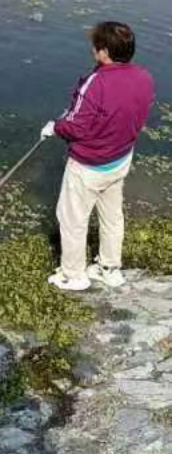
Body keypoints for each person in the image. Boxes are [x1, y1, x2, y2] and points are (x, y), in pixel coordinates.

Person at [42, 21, 154, 293]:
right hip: (120, 160)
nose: (92, 49)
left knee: (72, 219)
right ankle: (109, 269)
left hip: (89, 166)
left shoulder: (95, 82)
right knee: (112, 215)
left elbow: (77, 125)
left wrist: (55, 127)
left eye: (95, 46)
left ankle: (73, 275)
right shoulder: (144, 77)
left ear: (104, 52)